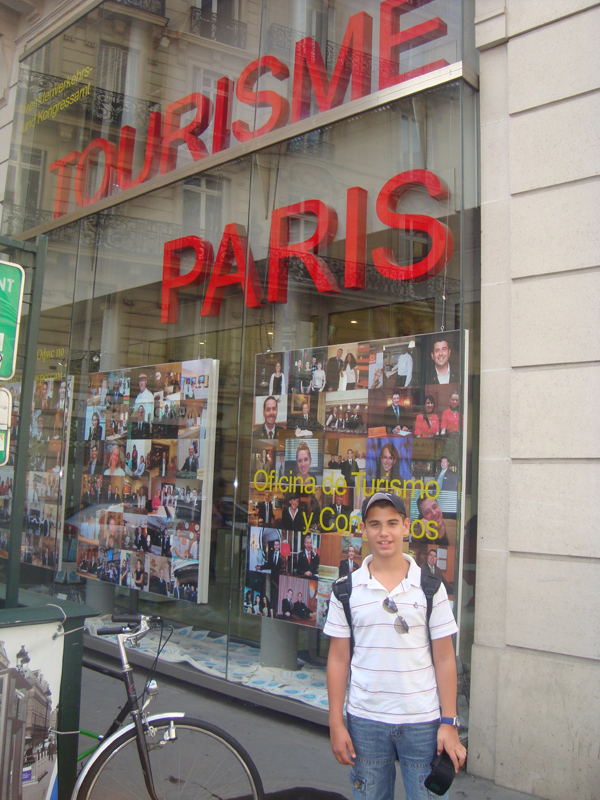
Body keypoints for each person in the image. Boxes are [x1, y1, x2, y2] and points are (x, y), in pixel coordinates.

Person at [324, 491, 466, 800]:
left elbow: (445, 658)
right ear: (363, 529)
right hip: (366, 721)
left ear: (405, 526)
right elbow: (338, 659)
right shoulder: (345, 591)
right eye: (375, 524)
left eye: (392, 523)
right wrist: (335, 722)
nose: (384, 532)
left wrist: (449, 722)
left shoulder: (431, 588)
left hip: (422, 722)